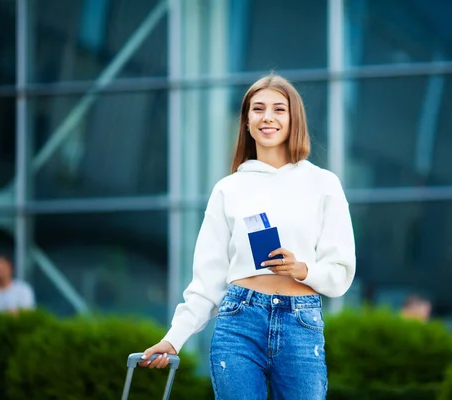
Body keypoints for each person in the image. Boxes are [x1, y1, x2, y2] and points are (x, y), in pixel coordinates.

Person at [140, 74, 356, 399]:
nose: (267, 117)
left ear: (294, 119)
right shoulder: (228, 189)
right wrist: (174, 338)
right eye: (258, 109)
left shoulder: (323, 184)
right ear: (246, 122)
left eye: (278, 109)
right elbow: (206, 281)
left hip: (301, 322)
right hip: (239, 321)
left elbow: (341, 271)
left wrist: (303, 270)